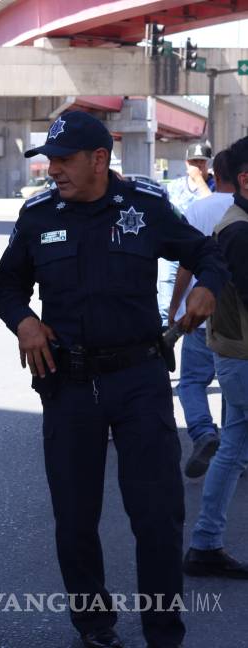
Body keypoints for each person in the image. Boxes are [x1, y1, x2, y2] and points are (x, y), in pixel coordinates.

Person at [0, 111, 227, 648]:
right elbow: (3, 287)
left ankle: (163, 632)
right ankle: (94, 626)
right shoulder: (36, 216)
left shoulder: (144, 209)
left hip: (139, 380)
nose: (53, 170)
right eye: (48, 160)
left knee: (156, 517)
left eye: (64, 160)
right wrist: (24, 320)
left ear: (99, 160)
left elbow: (205, 251)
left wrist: (206, 286)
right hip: (68, 383)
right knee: (75, 519)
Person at [185, 137, 248, 580]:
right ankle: (204, 543)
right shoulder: (239, 229)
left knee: (232, 449)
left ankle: (205, 542)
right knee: (232, 448)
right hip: (242, 358)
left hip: (236, 354)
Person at [168, 150, 236, 478]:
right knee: (229, 381)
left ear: (214, 173)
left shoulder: (198, 208)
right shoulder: (241, 209)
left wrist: (174, 305)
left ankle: (203, 433)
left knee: (193, 380)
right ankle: (233, 446)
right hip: (236, 313)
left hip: (199, 309)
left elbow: (185, 264)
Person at [157, 142, 215, 329]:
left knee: (195, 297)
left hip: (200, 248)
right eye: (193, 162)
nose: (198, 166)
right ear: (186, 163)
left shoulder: (214, 185)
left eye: (202, 162)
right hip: (173, 250)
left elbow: (212, 206)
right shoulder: (174, 186)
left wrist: (199, 180)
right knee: (165, 297)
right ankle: (166, 331)